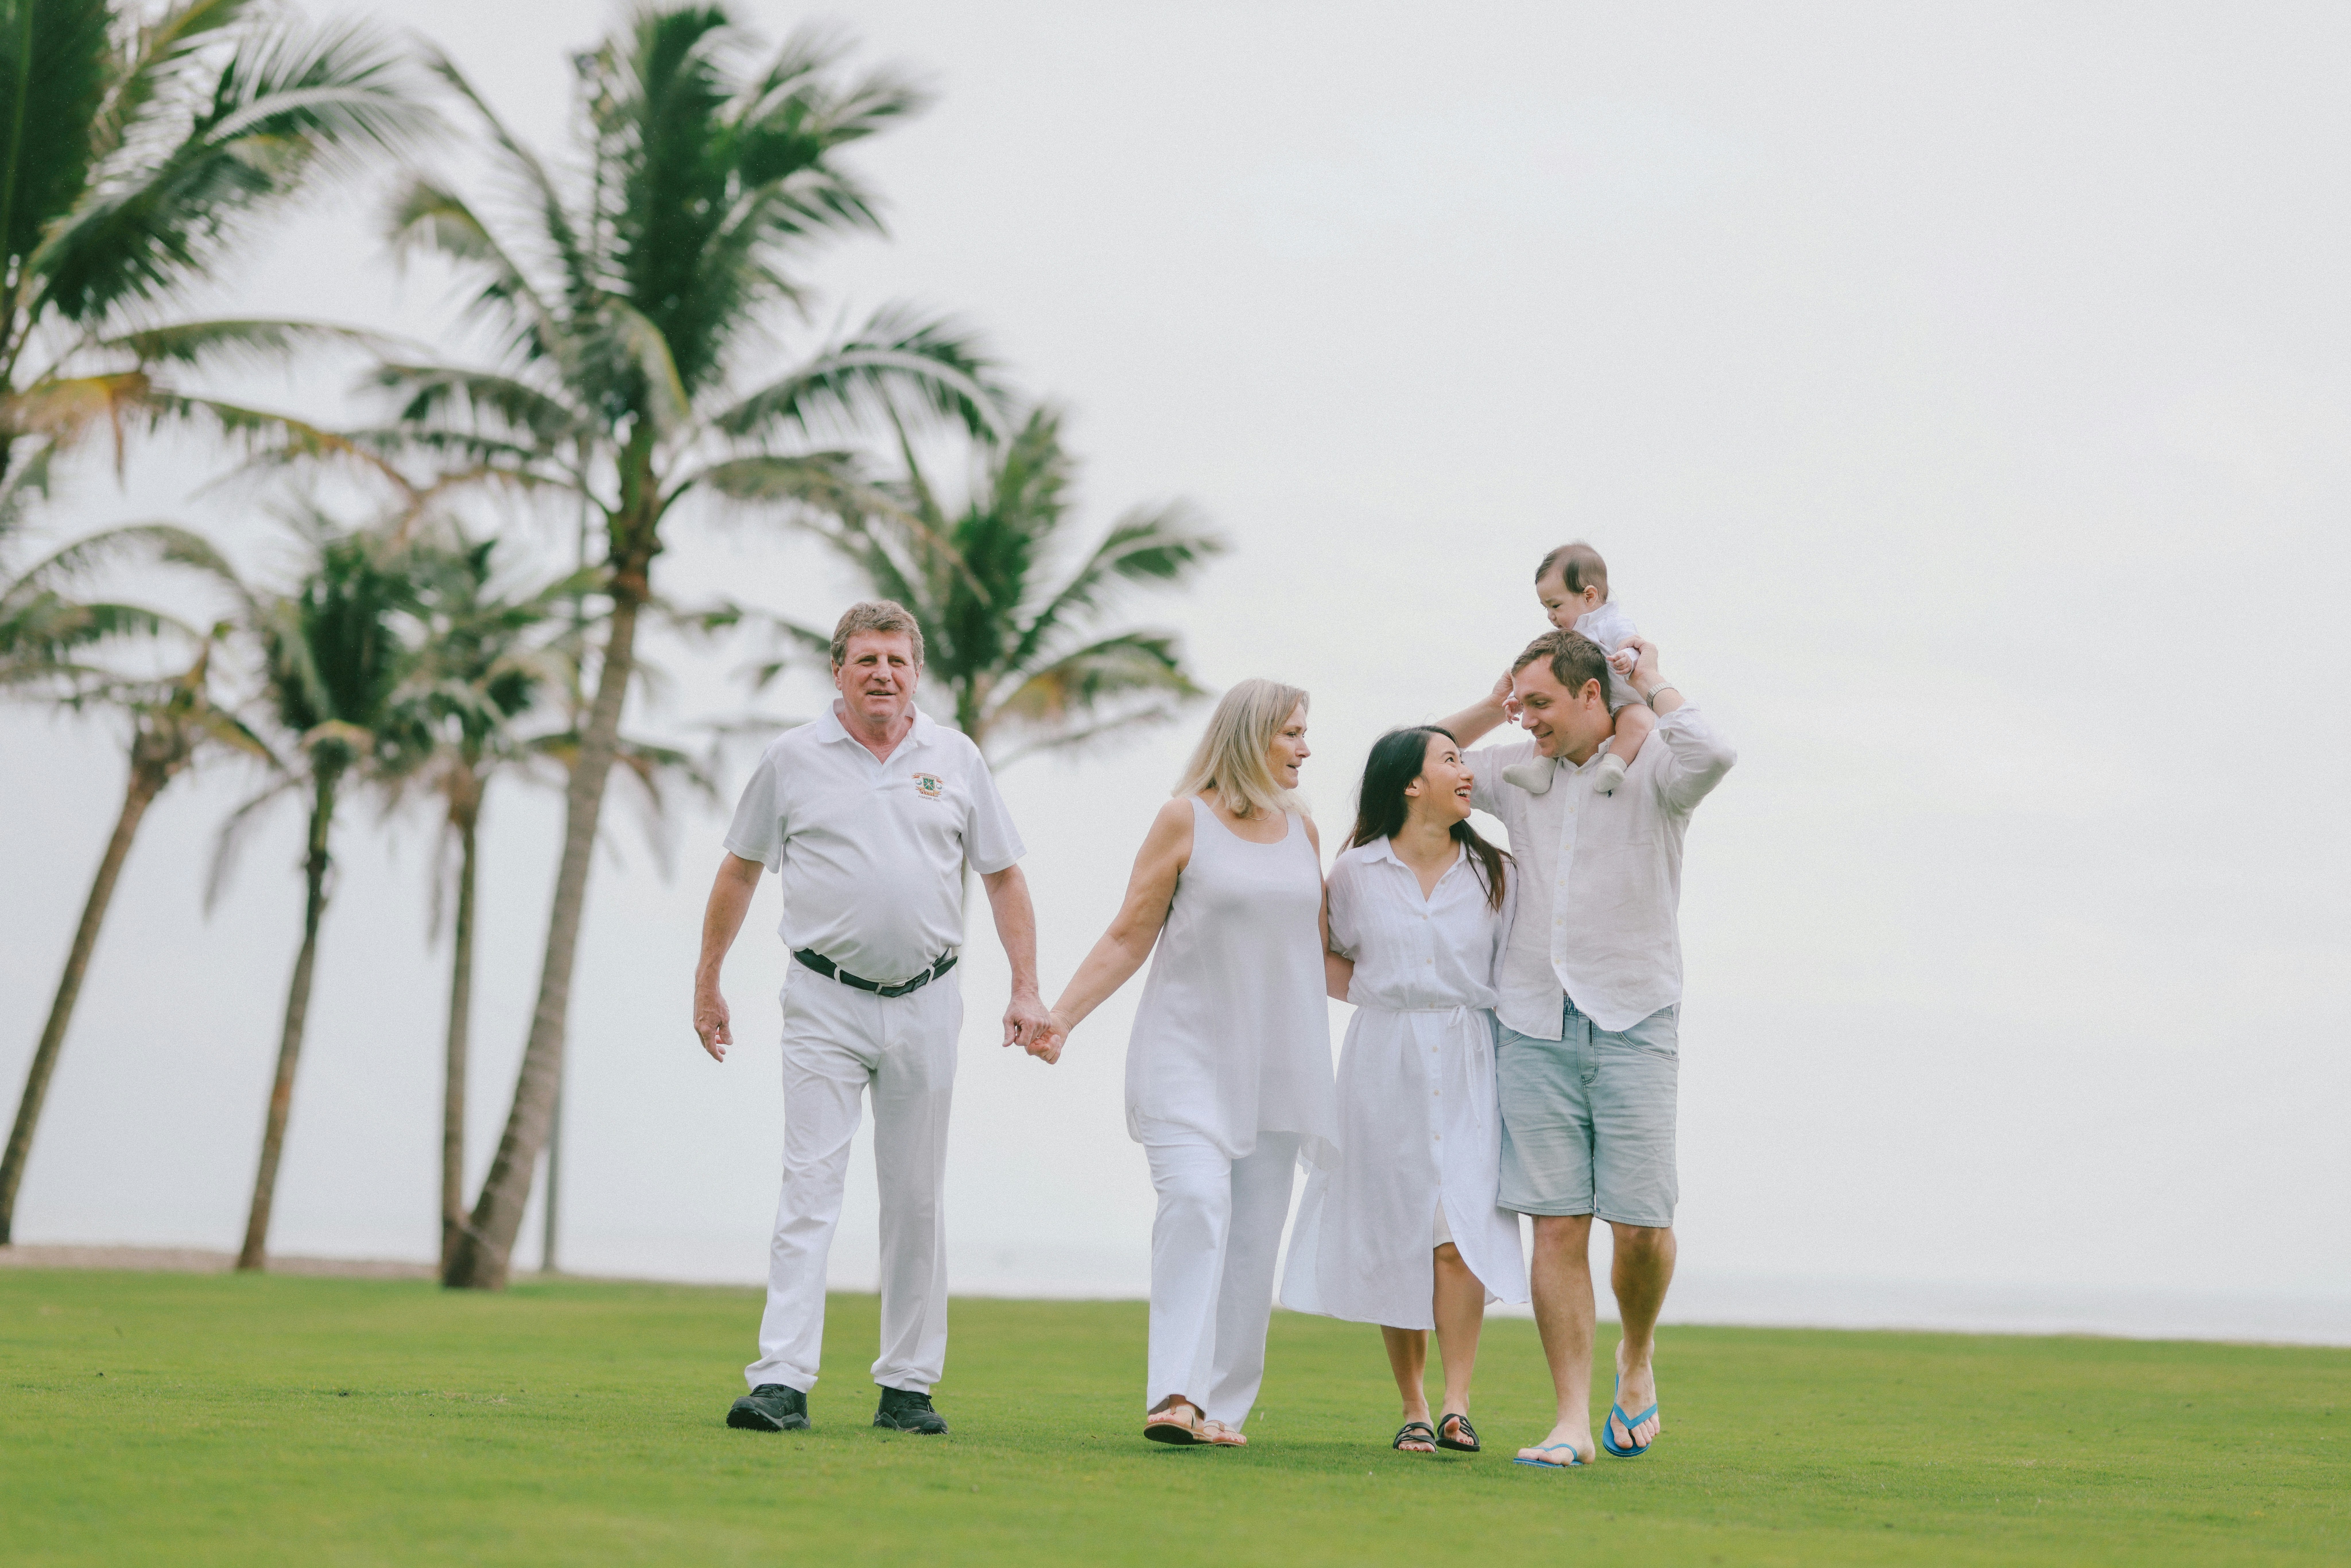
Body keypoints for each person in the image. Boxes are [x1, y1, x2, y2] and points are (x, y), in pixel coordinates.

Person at [692, 600, 1052, 1436]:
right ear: (838, 671)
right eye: (865, 661)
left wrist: (1025, 986)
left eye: (896, 660)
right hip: (822, 998)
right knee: (809, 1187)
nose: (882, 675)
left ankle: (908, 1387)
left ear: (916, 671)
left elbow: (1002, 876)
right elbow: (739, 871)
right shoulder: (792, 759)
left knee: (916, 1198)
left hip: (928, 999)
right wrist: (709, 982)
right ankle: (781, 1378)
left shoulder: (954, 758)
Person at [1440, 628, 1735, 1469]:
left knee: (1641, 1229)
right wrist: (1496, 693)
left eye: (1539, 703)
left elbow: (1715, 749)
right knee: (1557, 1227)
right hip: (1531, 1023)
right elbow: (1414, 756)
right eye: (1519, 703)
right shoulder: (1506, 772)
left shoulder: (1656, 770)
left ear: (1591, 698)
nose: (1523, 717)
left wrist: (1654, 678)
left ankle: (1635, 1358)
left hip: (1637, 1018)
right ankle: (1570, 1421)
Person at [1029, 680, 1338, 1448]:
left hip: (1277, 1069)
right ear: (1251, 737)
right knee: (1198, 1203)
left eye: (1306, 734)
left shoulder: (1305, 833)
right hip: (1188, 1055)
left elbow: (1321, 951)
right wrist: (1062, 1017)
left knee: (1253, 1239)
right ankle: (1174, 1392)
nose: (1306, 748)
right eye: (1293, 734)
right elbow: (1131, 933)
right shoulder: (1184, 820)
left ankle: (1223, 1405)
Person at [1279, 725, 1529, 1457]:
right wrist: (1378, 995)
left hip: (1469, 1056)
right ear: (1409, 785)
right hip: (1383, 1059)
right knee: (1399, 1234)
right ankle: (1413, 1404)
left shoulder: (1496, 872)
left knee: (1459, 1234)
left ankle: (1457, 1402)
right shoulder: (1356, 871)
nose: (1466, 770)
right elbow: (1321, 951)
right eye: (1450, 759)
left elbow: (1514, 969)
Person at [1531, 542, 1652, 797]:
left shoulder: (1612, 623)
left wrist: (1627, 658)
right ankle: (1539, 771)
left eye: (1556, 606)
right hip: (1594, 707)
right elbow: (1542, 676)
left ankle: (1613, 765)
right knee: (1553, 724)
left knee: (1637, 722)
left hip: (1625, 701)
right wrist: (1516, 699)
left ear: (1589, 597)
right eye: (1546, 609)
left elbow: (1631, 643)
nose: (1551, 617)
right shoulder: (1566, 638)